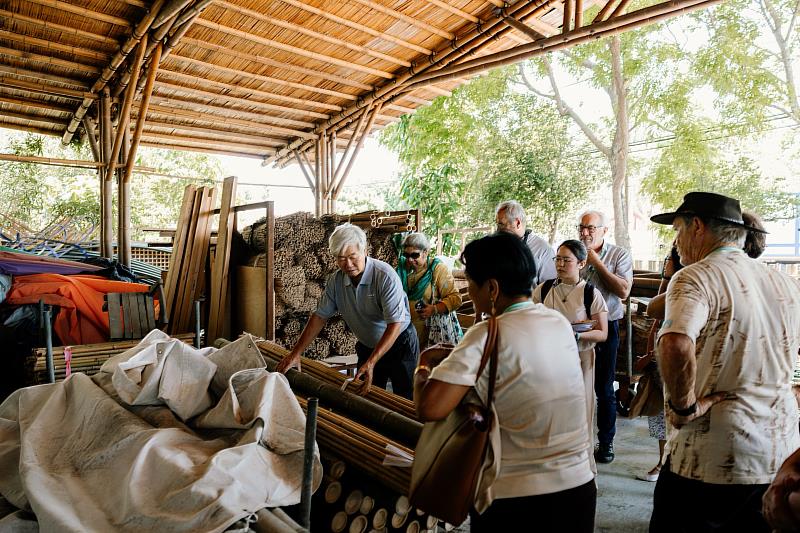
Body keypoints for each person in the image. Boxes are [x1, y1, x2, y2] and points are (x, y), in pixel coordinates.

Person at [413, 232, 595, 532]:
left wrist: (424, 364)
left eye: (471, 283)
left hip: (518, 500)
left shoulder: (486, 333)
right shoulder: (558, 324)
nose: (470, 292)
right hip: (578, 489)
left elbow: (430, 408)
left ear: (493, 288)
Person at [649, 191, 800, 532]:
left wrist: (684, 406)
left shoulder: (695, 276)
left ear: (697, 227)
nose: (678, 241)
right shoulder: (786, 284)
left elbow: (675, 342)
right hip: (775, 455)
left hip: (710, 459)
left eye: (678, 230)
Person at [275, 224, 419, 399]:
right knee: (367, 398)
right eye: (341, 258)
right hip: (368, 345)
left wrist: (372, 361)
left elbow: (395, 324)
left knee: (405, 398)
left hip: (399, 343)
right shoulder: (335, 281)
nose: (348, 264)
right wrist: (295, 353)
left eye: (352, 256)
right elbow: (320, 316)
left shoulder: (385, 276)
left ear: (365, 251)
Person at [532, 239, 607, 472]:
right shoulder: (543, 289)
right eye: (558, 259)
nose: (561, 264)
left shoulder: (590, 294)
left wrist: (575, 335)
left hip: (580, 361)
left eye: (567, 260)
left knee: (579, 412)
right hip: (548, 361)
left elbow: (602, 333)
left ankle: (580, 468)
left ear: (582, 263)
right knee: (549, 411)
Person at [577, 209, 633, 464]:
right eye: (582, 227)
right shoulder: (573, 252)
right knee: (576, 385)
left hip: (607, 328)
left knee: (604, 388)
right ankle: (576, 441)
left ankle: (606, 443)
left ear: (603, 231)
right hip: (576, 329)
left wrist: (595, 262)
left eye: (590, 228)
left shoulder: (619, 254)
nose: (585, 232)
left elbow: (623, 290)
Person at [634, 244, 682, 483]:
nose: (665, 264)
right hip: (659, 352)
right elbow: (655, 317)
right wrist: (648, 349)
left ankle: (671, 463)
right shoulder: (669, 284)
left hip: (677, 355)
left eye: (668, 261)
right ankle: (662, 460)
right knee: (657, 411)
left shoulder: (685, 283)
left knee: (675, 411)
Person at [396, 233, 462, 348]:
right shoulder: (402, 268)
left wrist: (435, 309)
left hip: (430, 333)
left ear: (426, 252)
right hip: (405, 332)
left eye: (415, 255)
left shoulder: (437, 269)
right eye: (406, 255)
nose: (410, 260)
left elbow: (456, 298)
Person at [494, 200, 556, 286]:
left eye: (501, 224)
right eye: (497, 224)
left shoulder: (543, 250)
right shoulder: (497, 246)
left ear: (518, 223)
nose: (497, 230)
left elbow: (549, 290)